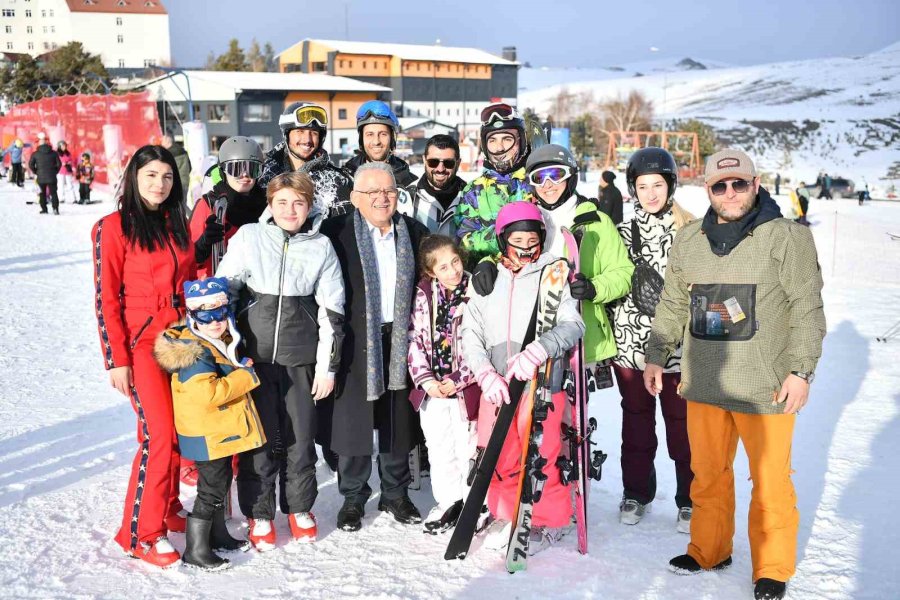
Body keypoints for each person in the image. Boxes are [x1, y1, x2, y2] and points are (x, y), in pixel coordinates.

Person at [645, 149, 826, 600]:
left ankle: (772, 568)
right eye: (719, 186)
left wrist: (801, 371)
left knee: (769, 482)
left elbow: (808, 309)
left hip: (764, 387)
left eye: (738, 184)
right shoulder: (689, 240)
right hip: (705, 381)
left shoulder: (787, 237)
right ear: (707, 190)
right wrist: (656, 353)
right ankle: (709, 549)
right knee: (706, 474)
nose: (729, 193)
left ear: (756, 183)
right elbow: (671, 303)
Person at [215, 171, 345, 550]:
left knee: (300, 439)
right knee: (259, 440)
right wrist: (229, 353)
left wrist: (327, 368)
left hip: (300, 360)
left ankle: (300, 507)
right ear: (270, 204)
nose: (291, 210)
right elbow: (224, 293)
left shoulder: (320, 246)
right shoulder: (250, 238)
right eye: (283, 202)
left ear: (309, 206)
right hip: (253, 360)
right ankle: (258, 512)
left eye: (299, 203)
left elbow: (332, 311)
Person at [91, 145, 196, 568]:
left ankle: (168, 507)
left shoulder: (176, 224)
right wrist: (115, 357)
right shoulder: (113, 227)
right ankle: (140, 533)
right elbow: (105, 298)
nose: (160, 184)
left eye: (167, 177)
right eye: (151, 175)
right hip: (140, 343)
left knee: (180, 432)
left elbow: (189, 278)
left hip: (181, 338)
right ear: (134, 177)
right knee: (159, 437)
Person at [460, 201, 585, 553]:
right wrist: (484, 372)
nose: (526, 246)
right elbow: (470, 332)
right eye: (517, 239)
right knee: (498, 454)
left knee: (542, 455)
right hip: (497, 386)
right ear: (503, 240)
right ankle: (504, 511)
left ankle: (547, 519)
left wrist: (538, 351)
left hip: (541, 382)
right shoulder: (486, 280)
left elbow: (573, 324)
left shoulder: (554, 274)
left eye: (533, 238)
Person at [319, 162, 430, 532]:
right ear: (354, 198)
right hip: (353, 337)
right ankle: (353, 495)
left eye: (389, 191)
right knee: (353, 420)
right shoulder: (334, 233)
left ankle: (395, 492)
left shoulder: (413, 232)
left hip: (401, 337)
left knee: (397, 417)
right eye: (373, 192)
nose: (383, 199)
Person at [608, 147, 696, 532]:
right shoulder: (623, 232)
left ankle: (689, 497)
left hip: (679, 346)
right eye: (642, 186)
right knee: (637, 423)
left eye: (657, 184)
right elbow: (611, 279)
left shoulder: (691, 231)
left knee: (682, 424)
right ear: (632, 189)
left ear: (671, 184)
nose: (650, 193)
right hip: (632, 344)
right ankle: (636, 491)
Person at [153, 276, 264, 570]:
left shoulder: (216, 340)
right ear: (193, 316)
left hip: (216, 431)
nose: (215, 321)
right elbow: (208, 394)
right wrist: (245, 376)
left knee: (220, 481)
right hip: (206, 433)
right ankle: (197, 550)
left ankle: (216, 535)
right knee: (211, 489)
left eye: (221, 313)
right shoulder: (196, 353)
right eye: (205, 314)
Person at [524, 144, 633, 387]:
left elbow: (623, 273)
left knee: (569, 419)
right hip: (530, 338)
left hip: (580, 338)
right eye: (539, 177)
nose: (548, 184)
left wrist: (594, 288)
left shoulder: (596, 222)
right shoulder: (523, 221)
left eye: (556, 174)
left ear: (570, 176)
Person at [407, 235, 477, 534]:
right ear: (431, 271)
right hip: (433, 390)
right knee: (439, 448)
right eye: (444, 267)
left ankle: (473, 502)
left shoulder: (477, 289)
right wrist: (425, 380)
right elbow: (415, 339)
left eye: (455, 262)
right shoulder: (424, 294)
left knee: (468, 448)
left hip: (465, 388)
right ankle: (448, 500)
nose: (453, 271)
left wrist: (459, 379)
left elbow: (482, 342)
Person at [454, 102, 534, 266]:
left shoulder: (538, 182)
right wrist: (504, 239)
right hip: (492, 279)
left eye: (507, 139)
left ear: (521, 141)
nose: (499, 148)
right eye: (492, 140)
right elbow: (465, 241)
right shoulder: (474, 191)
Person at [258, 101, 353, 218]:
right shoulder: (264, 175)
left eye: (314, 133)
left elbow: (346, 225)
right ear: (286, 134)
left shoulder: (337, 180)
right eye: (300, 131)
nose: (307, 139)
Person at [401, 134, 467, 235]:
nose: (440, 169)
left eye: (448, 163)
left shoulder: (471, 196)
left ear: (458, 163)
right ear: (424, 160)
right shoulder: (408, 196)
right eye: (433, 162)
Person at [342, 100, 416, 187]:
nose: (376, 142)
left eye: (383, 134)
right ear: (361, 139)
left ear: (392, 139)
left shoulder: (409, 183)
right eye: (370, 134)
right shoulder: (345, 180)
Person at [29, 133, 62, 214]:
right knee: (54, 193)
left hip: (40, 177)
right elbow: (59, 164)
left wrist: (36, 171)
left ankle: (44, 209)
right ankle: (55, 209)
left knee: (42, 193)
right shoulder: (54, 153)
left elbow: (30, 164)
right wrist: (55, 172)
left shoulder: (35, 154)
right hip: (52, 176)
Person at [161, 134, 192, 202]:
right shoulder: (183, 152)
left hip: (175, 183)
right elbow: (190, 168)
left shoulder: (169, 155)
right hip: (184, 181)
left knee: (176, 204)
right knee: (182, 203)